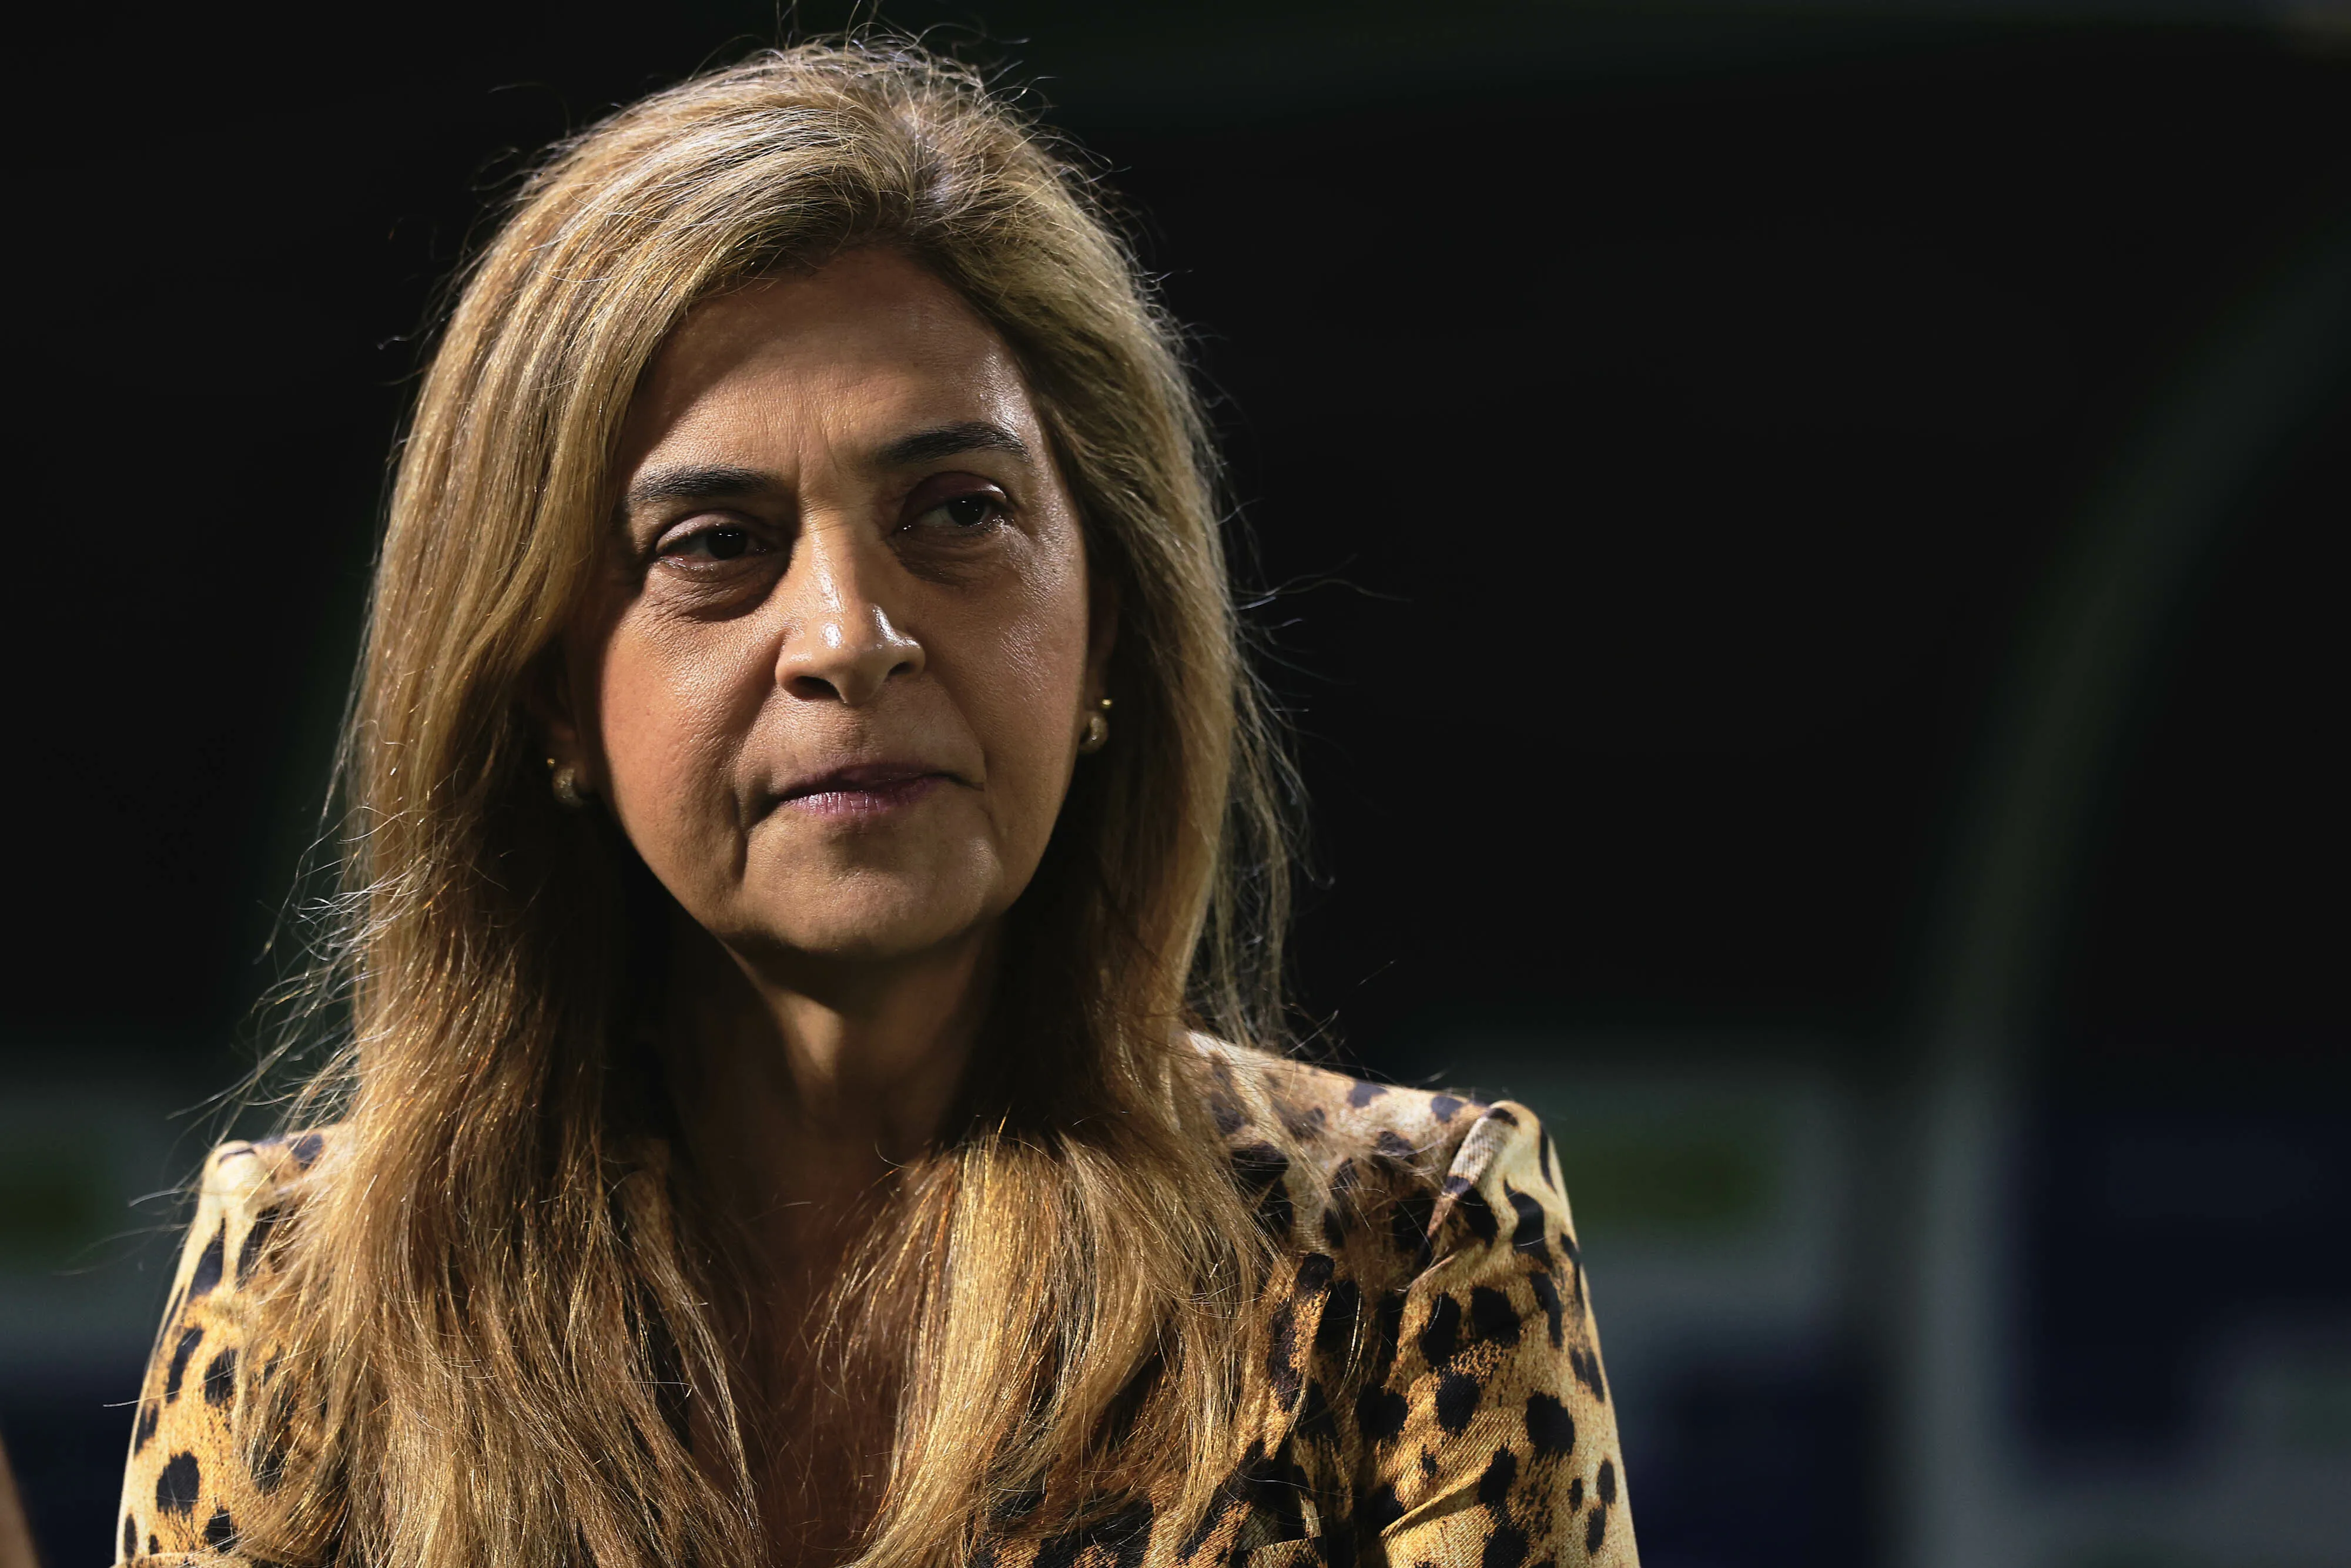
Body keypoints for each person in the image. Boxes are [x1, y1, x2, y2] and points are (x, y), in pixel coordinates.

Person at [112, 39, 1635, 1568]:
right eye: (715, 541)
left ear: (1107, 619)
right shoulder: (309, 1291)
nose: (849, 636)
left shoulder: (1408, 1243)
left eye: (960, 512)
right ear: (551, 692)